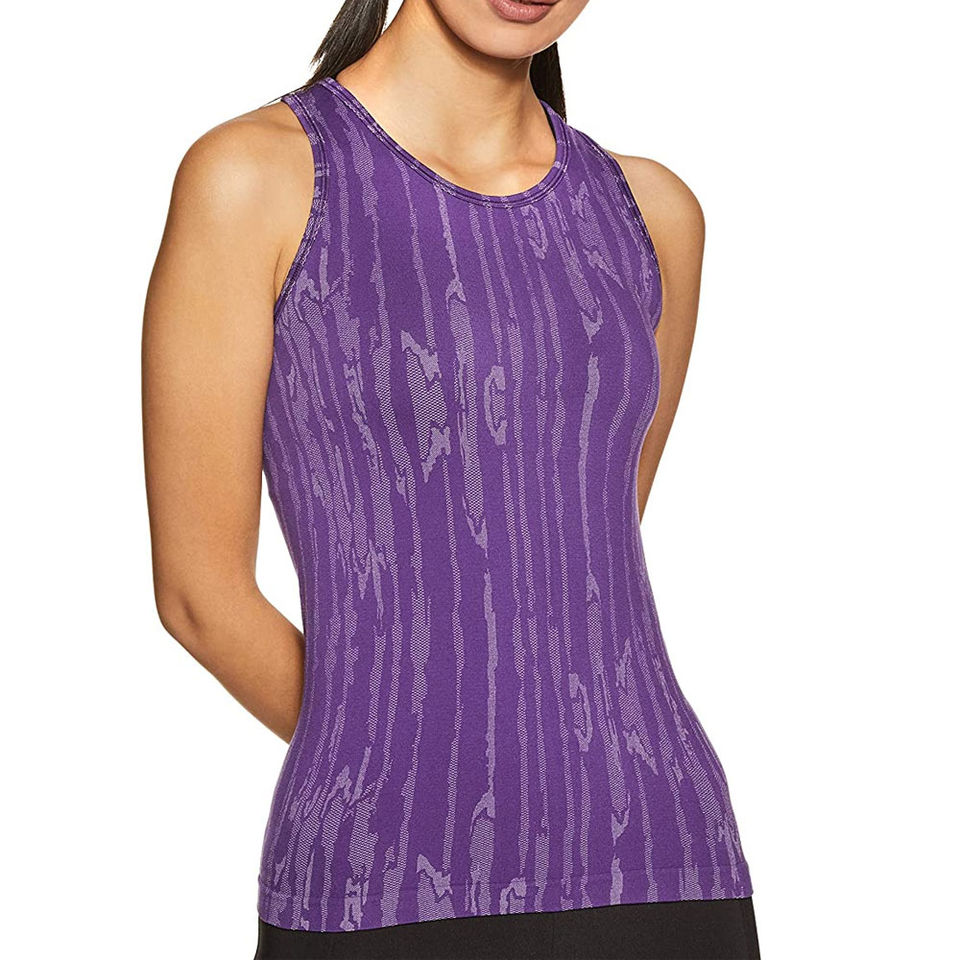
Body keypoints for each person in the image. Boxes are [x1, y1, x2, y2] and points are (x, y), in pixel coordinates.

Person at [142, 1, 760, 957]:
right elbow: (198, 598)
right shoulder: (256, 178)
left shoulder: (652, 213)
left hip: (663, 862)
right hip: (375, 879)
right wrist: (397, 753)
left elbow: (587, 551)